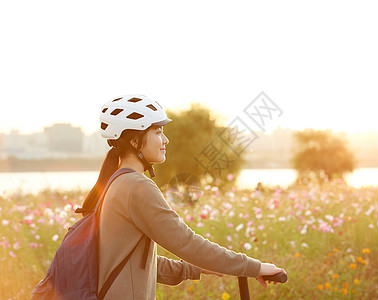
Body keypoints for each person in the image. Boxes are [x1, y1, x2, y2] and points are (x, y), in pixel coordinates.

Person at [78, 94, 286, 299]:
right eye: (158, 132)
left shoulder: (116, 182)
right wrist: (254, 267)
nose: (165, 140)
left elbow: (135, 266)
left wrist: (193, 268)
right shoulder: (136, 186)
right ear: (134, 140)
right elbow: (186, 243)